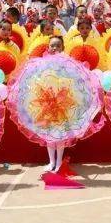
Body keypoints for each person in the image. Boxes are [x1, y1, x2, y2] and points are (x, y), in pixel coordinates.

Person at [43, 36, 67, 172]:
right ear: (48, 47)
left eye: (58, 45)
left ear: (63, 48)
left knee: (60, 132)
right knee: (49, 133)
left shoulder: (66, 63)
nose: (55, 48)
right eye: (52, 45)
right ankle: (51, 161)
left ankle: (59, 162)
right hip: (47, 101)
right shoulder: (44, 62)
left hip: (61, 101)